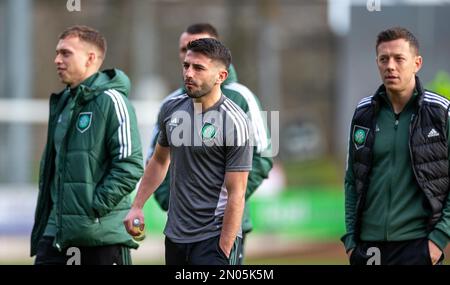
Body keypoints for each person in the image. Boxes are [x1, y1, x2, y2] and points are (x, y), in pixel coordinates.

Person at [146, 23, 273, 265]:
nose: (188, 55)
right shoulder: (172, 104)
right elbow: (156, 157)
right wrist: (168, 199)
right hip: (180, 228)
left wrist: (221, 203)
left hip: (224, 226)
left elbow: (263, 158)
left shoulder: (241, 98)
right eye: (184, 50)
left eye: (196, 50)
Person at [124, 38, 253, 265]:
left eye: (199, 68)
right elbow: (159, 161)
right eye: (186, 66)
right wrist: (137, 206)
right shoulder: (171, 108)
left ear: (221, 77)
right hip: (175, 236)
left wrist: (223, 248)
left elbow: (237, 193)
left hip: (213, 239)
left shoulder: (235, 121)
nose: (189, 73)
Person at [30, 25, 144, 265]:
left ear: (91, 58)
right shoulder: (62, 103)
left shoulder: (113, 100)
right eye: (57, 53)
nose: (57, 60)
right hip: (55, 232)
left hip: (99, 235)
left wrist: (93, 208)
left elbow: (129, 164)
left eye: (66, 53)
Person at [342, 27, 450, 265]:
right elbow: (351, 180)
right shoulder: (363, 114)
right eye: (384, 59)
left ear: (417, 63)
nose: (390, 65)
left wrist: (439, 239)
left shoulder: (441, 112)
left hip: (419, 246)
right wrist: (351, 241)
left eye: (399, 58)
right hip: (369, 249)